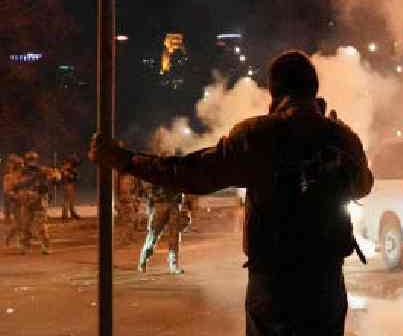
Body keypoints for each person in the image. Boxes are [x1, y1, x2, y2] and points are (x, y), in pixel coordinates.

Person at [91, 50, 374, 336]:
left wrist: (125, 160)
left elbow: (189, 174)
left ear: (274, 92)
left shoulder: (257, 136)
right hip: (325, 287)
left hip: (274, 288)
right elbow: (364, 185)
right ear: (313, 89)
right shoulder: (341, 136)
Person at [138, 183, 193, 274]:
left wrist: (186, 203)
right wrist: (151, 197)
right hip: (160, 203)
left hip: (174, 203)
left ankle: (173, 265)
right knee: (153, 234)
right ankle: (143, 258)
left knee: (174, 235)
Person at [12, 151, 55, 254]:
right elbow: (17, 185)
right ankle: (25, 247)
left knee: (41, 226)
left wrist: (51, 177)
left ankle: (46, 246)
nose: (31, 162)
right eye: (29, 160)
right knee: (25, 226)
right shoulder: (22, 172)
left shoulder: (42, 170)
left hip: (39, 202)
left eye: (33, 160)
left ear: (36, 160)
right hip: (27, 202)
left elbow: (55, 178)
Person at [115, 159, 146, 245]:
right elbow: (121, 190)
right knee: (127, 221)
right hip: (125, 200)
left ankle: (129, 237)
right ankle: (125, 239)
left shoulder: (131, 177)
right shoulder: (122, 177)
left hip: (129, 200)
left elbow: (136, 189)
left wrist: (136, 200)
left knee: (131, 220)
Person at [3, 154, 23, 245]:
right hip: (16, 202)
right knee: (19, 223)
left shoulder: (22, 175)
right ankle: (11, 238)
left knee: (25, 222)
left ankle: (22, 240)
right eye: (20, 165)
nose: (22, 166)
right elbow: (7, 191)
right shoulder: (8, 177)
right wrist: (15, 196)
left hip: (25, 201)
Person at [59, 153, 81, 221]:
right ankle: (65, 216)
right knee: (67, 200)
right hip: (67, 184)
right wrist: (71, 175)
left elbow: (75, 176)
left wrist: (74, 176)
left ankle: (73, 213)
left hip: (70, 184)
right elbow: (68, 176)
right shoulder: (66, 168)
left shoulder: (70, 168)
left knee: (71, 200)